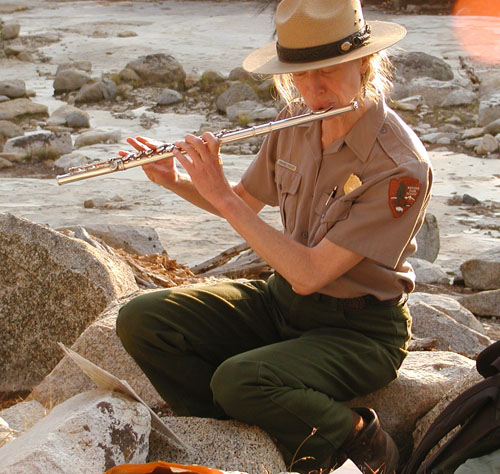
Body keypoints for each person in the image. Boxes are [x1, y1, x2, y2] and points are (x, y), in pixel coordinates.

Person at [116, 0, 433, 472]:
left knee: (238, 380)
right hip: (281, 301)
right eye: (300, 75)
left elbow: (309, 273)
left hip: (359, 331)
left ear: (364, 62)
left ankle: (358, 438)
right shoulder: (296, 122)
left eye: (327, 71)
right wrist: (175, 180)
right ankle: (239, 437)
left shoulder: (399, 167)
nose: (313, 90)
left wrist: (222, 197)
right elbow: (244, 199)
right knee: (143, 319)